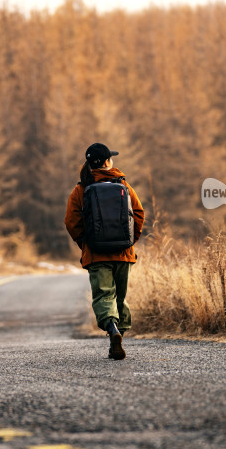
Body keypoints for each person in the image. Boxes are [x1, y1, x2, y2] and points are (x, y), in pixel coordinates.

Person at [64, 143, 145, 360]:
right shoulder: (123, 185)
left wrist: (86, 244)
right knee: (120, 296)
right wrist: (129, 241)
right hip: (123, 253)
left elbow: (71, 222)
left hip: (97, 254)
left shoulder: (80, 189)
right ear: (107, 162)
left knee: (104, 296)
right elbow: (138, 214)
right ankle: (118, 336)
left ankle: (112, 331)